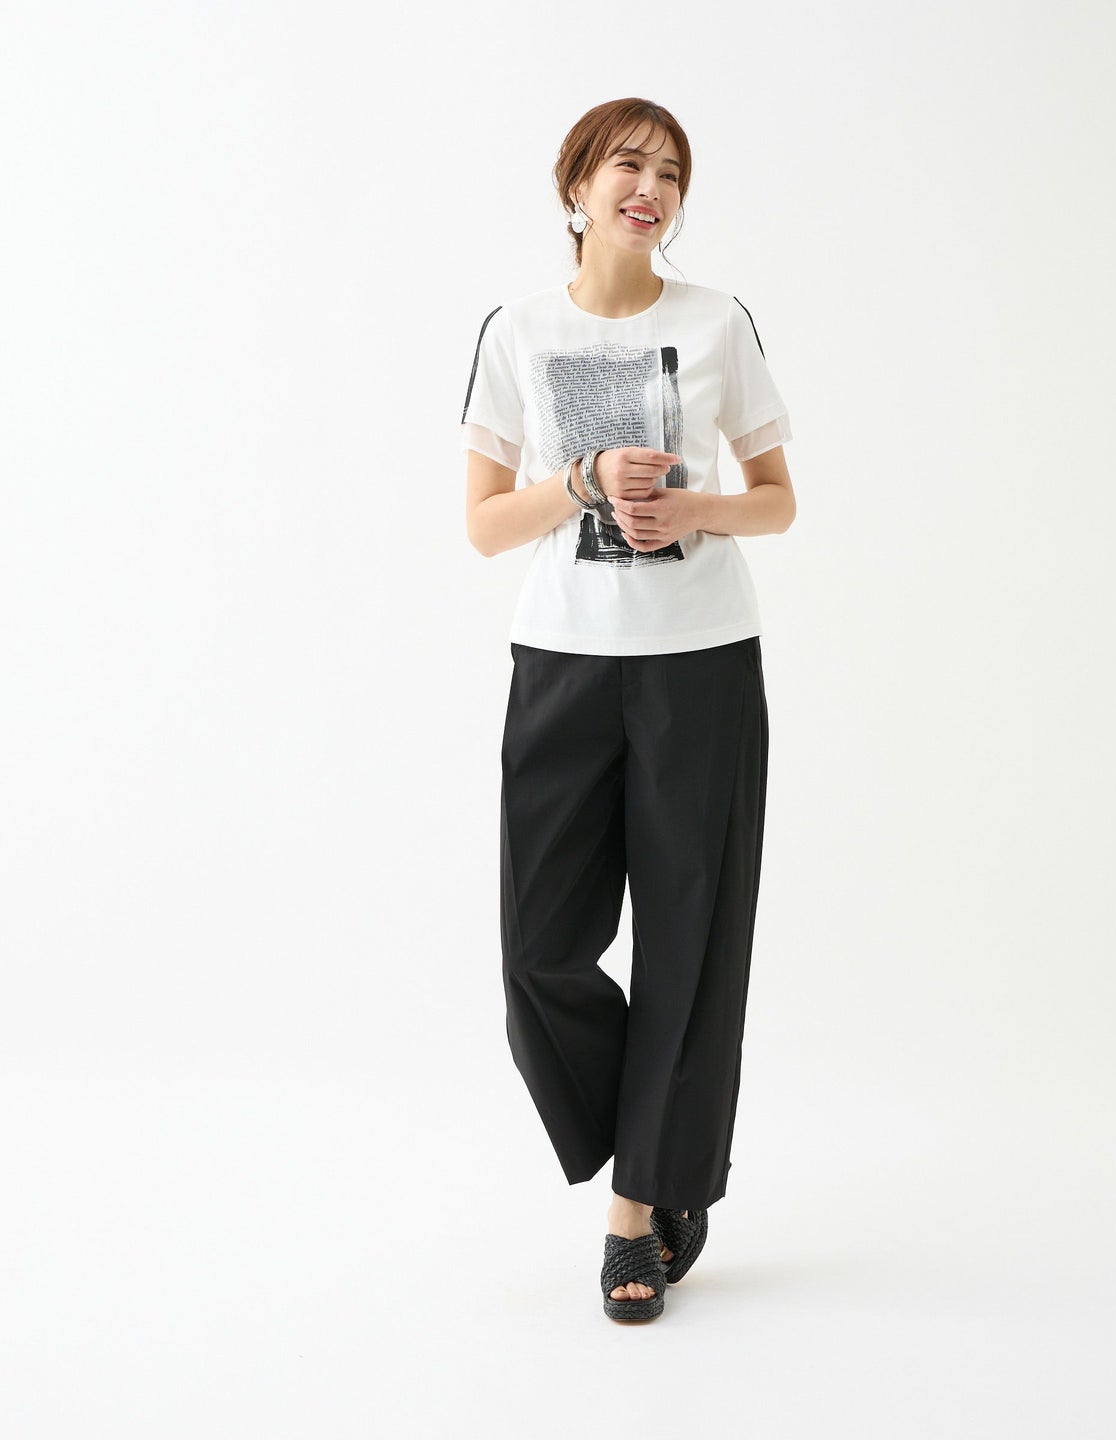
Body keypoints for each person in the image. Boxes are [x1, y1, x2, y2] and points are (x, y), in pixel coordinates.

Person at [460, 98, 795, 1322]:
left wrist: (693, 509)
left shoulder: (716, 323)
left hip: (699, 662)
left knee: (689, 942)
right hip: (562, 660)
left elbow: (777, 498)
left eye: (669, 173)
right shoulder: (518, 331)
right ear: (577, 189)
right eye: (626, 166)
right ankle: (664, 1133)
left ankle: (638, 1211)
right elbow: (483, 523)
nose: (649, 188)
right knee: (539, 952)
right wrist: (583, 480)